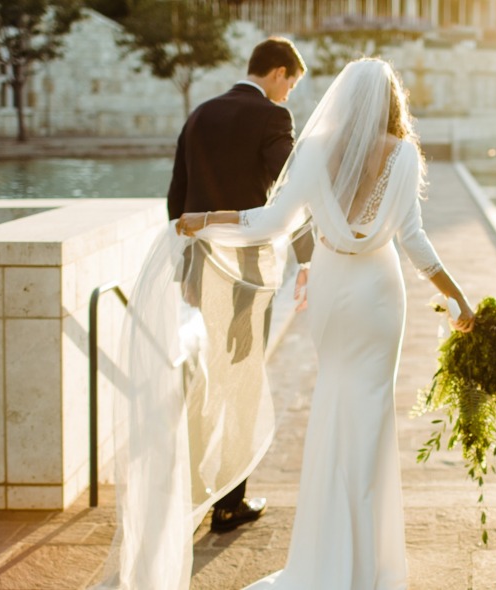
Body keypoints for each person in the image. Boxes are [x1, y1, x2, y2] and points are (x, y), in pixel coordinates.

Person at [176, 57, 475, 589]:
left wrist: (205, 220)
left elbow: (268, 222)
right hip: (380, 294)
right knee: (372, 412)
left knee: (334, 403)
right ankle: (371, 560)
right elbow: (414, 240)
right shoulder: (404, 154)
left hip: (335, 289)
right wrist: (458, 299)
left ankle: (327, 554)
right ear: (391, 101)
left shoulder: (314, 149)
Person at [167, 36, 310, 535]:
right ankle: (229, 503)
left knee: (216, 374)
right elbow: (291, 191)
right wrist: (309, 252)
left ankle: (197, 487)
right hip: (248, 271)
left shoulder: (201, 114)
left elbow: (176, 201)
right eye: (291, 82)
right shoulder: (272, 118)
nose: (289, 93)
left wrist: (186, 269)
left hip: (204, 268)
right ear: (277, 71)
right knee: (243, 377)